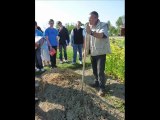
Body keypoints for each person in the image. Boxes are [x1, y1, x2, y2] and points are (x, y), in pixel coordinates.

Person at [85, 11, 111, 96]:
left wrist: (91, 32)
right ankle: (96, 82)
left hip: (100, 52)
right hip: (93, 52)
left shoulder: (103, 25)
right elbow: (86, 40)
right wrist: (84, 51)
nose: (89, 19)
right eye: (88, 18)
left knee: (100, 71)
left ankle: (102, 88)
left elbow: (102, 35)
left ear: (96, 18)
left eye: (91, 18)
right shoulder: (89, 26)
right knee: (95, 71)